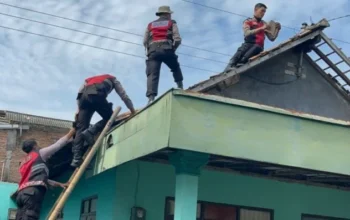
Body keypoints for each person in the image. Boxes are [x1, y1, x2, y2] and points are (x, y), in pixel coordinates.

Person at [71, 74, 136, 167]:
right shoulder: (113, 79)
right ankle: (90, 132)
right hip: (95, 94)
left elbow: (79, 92)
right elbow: (123, 95)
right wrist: (132, 110)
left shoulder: (89, 79)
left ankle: (76, 158)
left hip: (83, 100)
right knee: (111, 118)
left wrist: (78, 110)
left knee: (80, 128)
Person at [15, 128, 75, 220]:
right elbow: (58, 145)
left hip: (20, 195)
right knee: (30, 217)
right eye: (37, 145)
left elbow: (41, 179)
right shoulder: (40, 153)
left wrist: (60, 184)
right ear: (34, 146)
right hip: (32, 193)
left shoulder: (23, 162)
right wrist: (72, 132)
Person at [143, 5, 184, 104]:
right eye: (169, 14)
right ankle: (180, 86)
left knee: (152, 74)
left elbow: (145, 41)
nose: (170, 16)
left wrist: (149, 52)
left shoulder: (150, 25)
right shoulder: (171, 23)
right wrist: (173, 49)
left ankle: (151, 98)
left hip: (153, 51)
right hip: (167, 49)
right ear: (166, 14)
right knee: (175, 67)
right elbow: (177, 39)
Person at [224, 3, 281, 72]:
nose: (263, 13)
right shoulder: (248, 21)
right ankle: (231, 65)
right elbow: (247, 33)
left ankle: (242, 63)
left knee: (258, 48)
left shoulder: (264, 24)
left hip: (259, 49)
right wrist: (261, 28)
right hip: (249, 45)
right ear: (256, 10)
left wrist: (277, 30)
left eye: (264, 12)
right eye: (262, 11)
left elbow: (272, 38)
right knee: (243, 49)